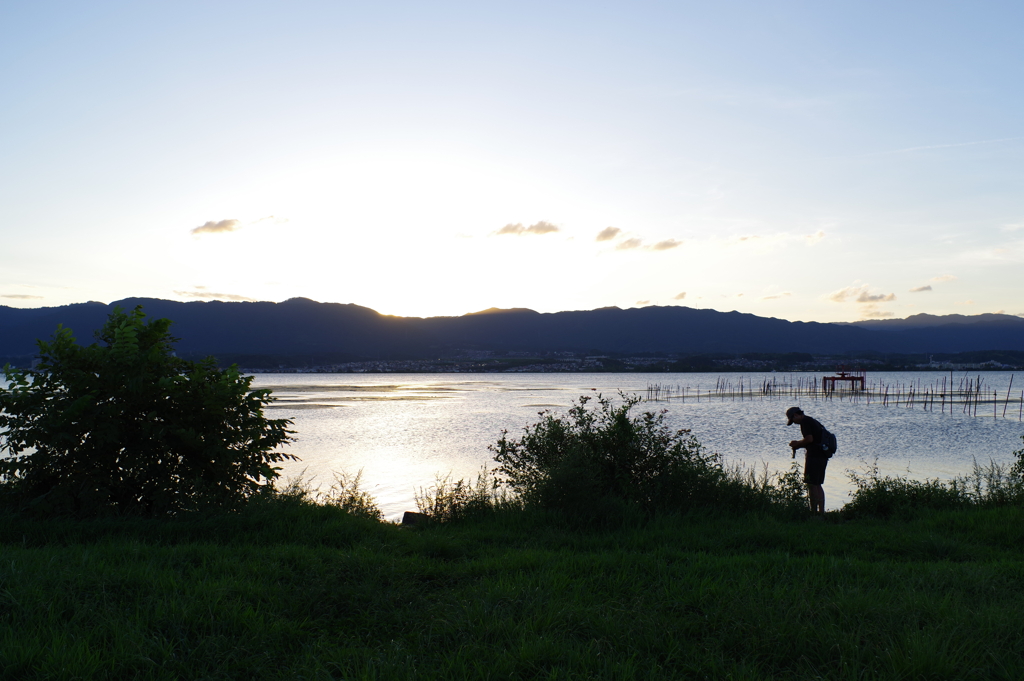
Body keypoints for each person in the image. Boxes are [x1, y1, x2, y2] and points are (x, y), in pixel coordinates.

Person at [786, 406, 828, 515]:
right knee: (817, 484)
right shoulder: (812, 420)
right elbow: (813, 440)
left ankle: (813, 512)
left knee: (811, 484)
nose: (794, 423)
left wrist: (797, 444)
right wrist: (799, 444)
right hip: (822, 455)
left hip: (814, 456)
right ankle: (821, 512)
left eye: (793, 420)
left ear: (796, 415)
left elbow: (809, 439)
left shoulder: (805, 422)